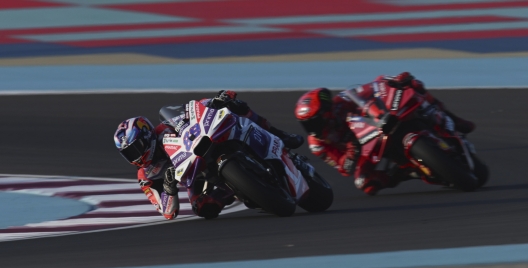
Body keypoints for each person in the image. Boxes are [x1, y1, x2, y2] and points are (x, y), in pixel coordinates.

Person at [114, 90, 304, 219]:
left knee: (235, 106)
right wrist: (169, 186)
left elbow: (192, 109)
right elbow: (167, 212)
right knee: (203, 209)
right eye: (128, 153)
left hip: (202, 145)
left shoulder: (165, 127)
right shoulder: (145, 175)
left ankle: (280, 135)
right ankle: (242, 191)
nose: (135, 156)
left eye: (135, 148)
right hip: (195, 175)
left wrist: (215, 101)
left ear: (147, 135)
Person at [294, 72, 475, 195]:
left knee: (413, 84)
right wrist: (352, 151)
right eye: (307, 124)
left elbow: (373, 87)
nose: (312, 127)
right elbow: (344, 168)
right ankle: (410, 172)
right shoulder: (318, 144)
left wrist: (393, 81)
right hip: (366, 151)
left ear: (326, 112)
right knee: (365, 184)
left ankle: (453, 119)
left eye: (314, 121)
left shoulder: (341, 101)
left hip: (380, 123)